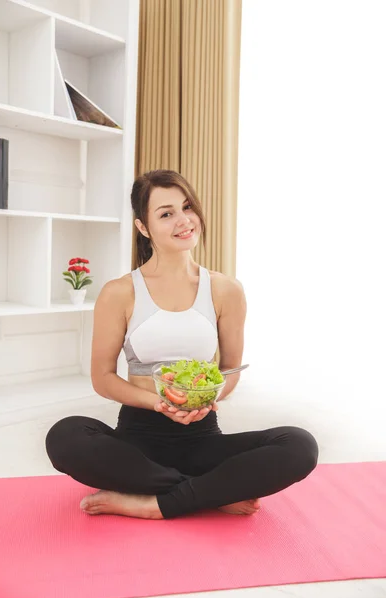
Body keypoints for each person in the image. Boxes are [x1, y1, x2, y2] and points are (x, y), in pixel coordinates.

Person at [45, 169, 319, 520]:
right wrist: (158, 404)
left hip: (203, 436)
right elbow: (103, 377)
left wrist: (209, 398)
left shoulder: (225, 290)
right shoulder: (119, 292)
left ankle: (153, 502)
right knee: (63, 436)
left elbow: (231, 369)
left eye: (187, 206)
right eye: (166, 213)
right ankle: (208, 492)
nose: (184, 220)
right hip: (137, 439)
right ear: (143, 227)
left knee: (300, 446)